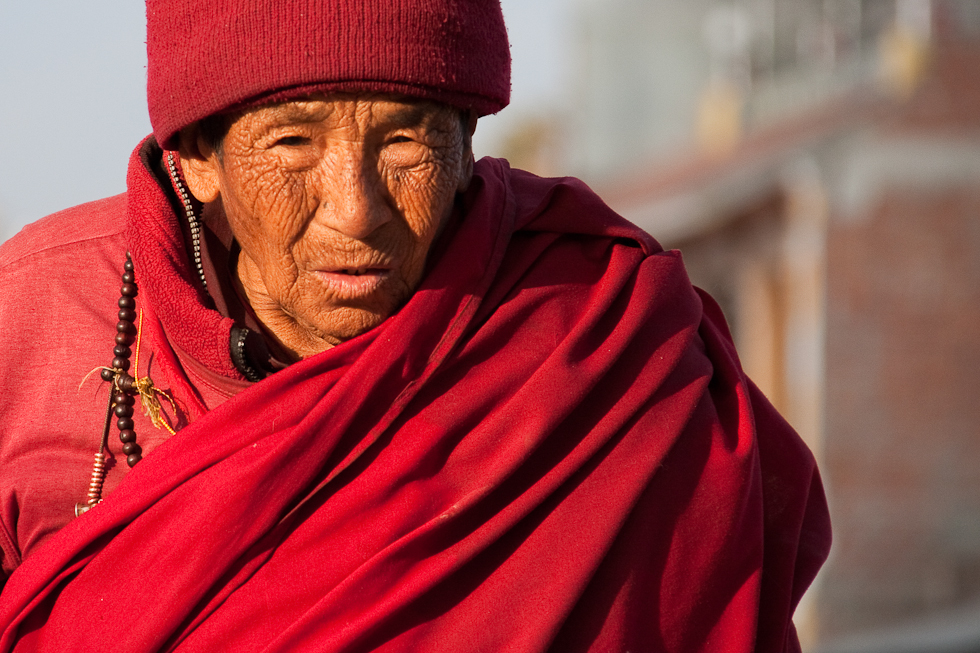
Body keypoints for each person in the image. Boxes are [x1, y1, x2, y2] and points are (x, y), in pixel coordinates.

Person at [0, 0, 831, 651]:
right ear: (198, 160)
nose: (356, 212)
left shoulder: (596, 337)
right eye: (292, 142)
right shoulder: (41, 313)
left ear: (469, 145)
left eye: (406, 142)